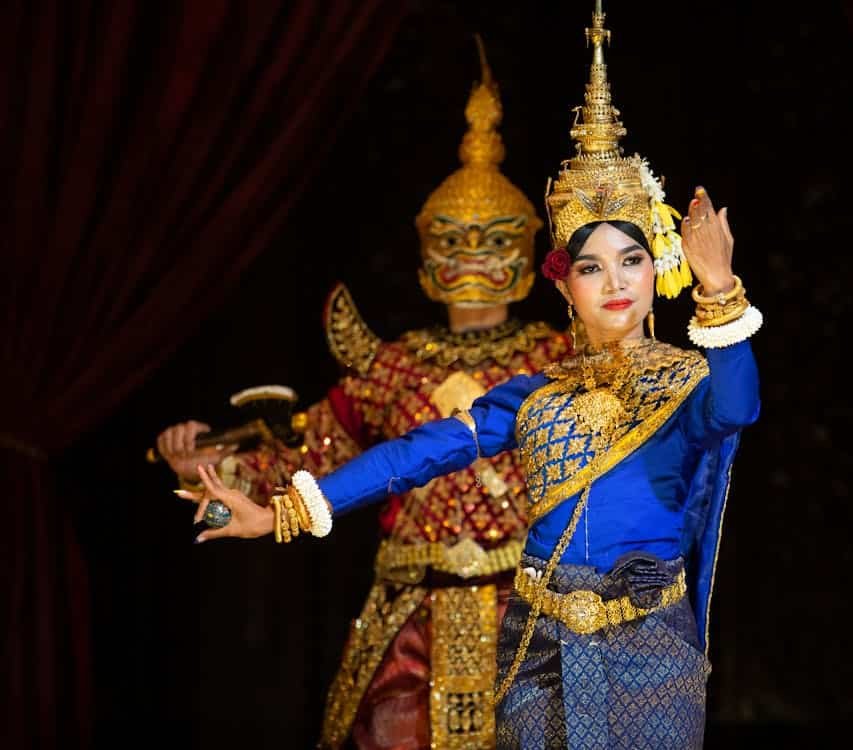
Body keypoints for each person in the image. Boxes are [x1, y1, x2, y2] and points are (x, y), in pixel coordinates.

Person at [180, 4, 762, 748]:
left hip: (647, 647)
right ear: (561, 287)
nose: (613, 282)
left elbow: (737, 407)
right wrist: (285, 512)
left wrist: (718, 288)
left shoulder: (686, 384)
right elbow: (412, 456)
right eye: (590, 266)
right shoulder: (531, 395)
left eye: (631, 260)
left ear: (659, 271)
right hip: (538, 644)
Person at [156, 40, 570, 750]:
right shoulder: (390, 368)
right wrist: (207, 470)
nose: (472, 254)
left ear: (527, 254)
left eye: (492, 240)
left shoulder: (558, 360)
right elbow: (309, 455)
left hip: (529, 613)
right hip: (409, 616)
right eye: (453, 240)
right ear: (423, 258)